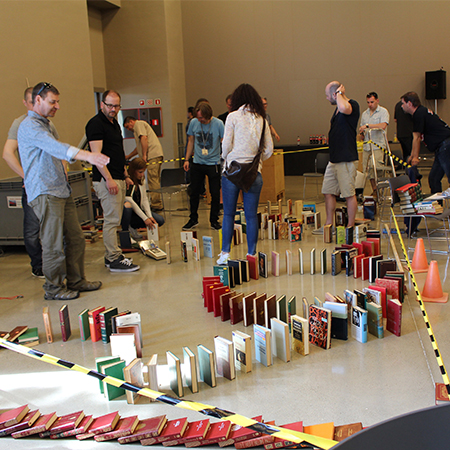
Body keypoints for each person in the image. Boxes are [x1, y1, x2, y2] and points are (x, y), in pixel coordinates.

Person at [17, 82, 109, 300]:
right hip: (45, 192)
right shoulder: (30, 126)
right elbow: (54, 147)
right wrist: (88, 156)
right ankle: (54, 288)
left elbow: (55, 152)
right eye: (52, 102)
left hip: (60, 190)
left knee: (76, 238)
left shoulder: (46, 124)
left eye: (58, 102)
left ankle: (76, 281)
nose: (57, 106)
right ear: (37, 100)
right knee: (53, 243)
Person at [217, 84, 273, 265]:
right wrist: (257, 160)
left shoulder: (232, 117)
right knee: (251, 216)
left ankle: (225, 255)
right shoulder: (262, 120)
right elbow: (269, 149)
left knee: (228, 214)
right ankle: (252, 255)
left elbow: (226, 146)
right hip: (253, 173)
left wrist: (227, 158)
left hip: (232, 171)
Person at [86, 90, 140, 272]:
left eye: (117, 106)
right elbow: (96, 155)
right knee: (111, 220)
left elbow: (117, 152)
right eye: (110, 105)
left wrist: (125, 175)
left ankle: (112, 256)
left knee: (115, 219)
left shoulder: (115, 124)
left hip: (118, 177)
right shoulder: (95, 124)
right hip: (106, 179)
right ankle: (113, 257)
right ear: (102, 104)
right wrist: (108, 179)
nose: (113, 109)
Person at [2, 87, 48, 278]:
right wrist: (26, 177)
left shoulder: (46, 123)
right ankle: (38, 265)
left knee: (52, 229)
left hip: (49, 185)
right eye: (31, 103)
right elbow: (7, 153)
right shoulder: (20, 123)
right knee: (32, 229)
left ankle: (53, 265)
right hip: (32, 186)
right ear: (26, 103)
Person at [313, 81, 360, 234]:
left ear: (335, 94)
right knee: (328, 191)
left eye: (328, 95)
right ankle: (329, 226)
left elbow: (344, 107)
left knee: (348, 194)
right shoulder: (337, 110)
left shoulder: (351, 104)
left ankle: (350, 228)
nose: (327, 99)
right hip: (334, 160)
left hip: (346, 159)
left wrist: (340, 94)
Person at [183, 102, 224, 230]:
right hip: (197, 162)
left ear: (208, 115)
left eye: (201, 118)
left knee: (215, 193)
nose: (199, 120)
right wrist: (187, 159)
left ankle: (214, 220)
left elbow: (225, 142)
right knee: (194, 192)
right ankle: (193, 219)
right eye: (198, 117)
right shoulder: (194, 123)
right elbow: (191, 141)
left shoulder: (218, 124)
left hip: (213, 163)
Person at [401, 91, 450, 193]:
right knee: (434, 178)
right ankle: (437, 205)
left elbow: (416, 137)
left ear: (409, 103)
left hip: (445, 145)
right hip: (440, 148)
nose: (402, 106)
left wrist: (415, 157)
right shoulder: (421, 112)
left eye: (403, 103)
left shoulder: (419, 113)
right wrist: (412, 154)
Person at [123, 116, 164, 211]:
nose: (128, 129)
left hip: (152, 155)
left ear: (131, 121)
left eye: (127, 126)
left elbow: (144, 139)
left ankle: (156, 205)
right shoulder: (139, 128)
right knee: (154, 179)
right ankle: (155, 202)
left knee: (152, 179)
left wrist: (144, 155)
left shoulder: (138, 124)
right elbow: (139, 147)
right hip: (155, 155)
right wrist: (128, 156)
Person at [121, 157, 165, 240]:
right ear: (133, 171)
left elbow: (144, 199)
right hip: (129, 212)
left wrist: (149, 216)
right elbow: (129, 200)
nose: (142, 175)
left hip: (139, 211)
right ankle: (128, 229)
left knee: (160, 220)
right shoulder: (128, 181)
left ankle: (135, 226)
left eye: (143, 172)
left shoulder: (142, 180)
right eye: (140, 172)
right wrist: (145, 218)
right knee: (128, 206)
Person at [358, 92, 390, 199]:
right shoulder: (364, 114)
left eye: (372, 102)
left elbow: (383, 125)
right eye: (368, 102)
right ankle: (374, 190)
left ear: (377, 100)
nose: (370, 104)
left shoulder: (383, 112)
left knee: (376, 168)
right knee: (366, 170)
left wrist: (368, 126)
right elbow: (363, 130)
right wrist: (362, 133)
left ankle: (379, 191)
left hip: (378, 145)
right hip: (367, 146)